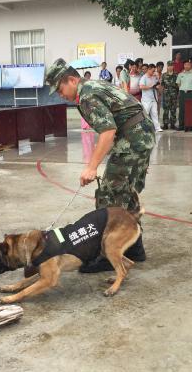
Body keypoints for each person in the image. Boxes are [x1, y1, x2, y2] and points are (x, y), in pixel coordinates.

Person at [44, 58, 155, 273]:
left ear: (72, 80)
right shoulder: (92, 87)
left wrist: (91, 167)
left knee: (108, 194)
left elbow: (107, 131)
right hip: (139, 135)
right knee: (124, 190)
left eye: (60, 88)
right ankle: (135, 249)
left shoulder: (87, 95)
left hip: (133, 138)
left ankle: (107, 255)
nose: (60, 94)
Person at [176, 59, 192, 131]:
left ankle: (190, 125)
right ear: (183, 65)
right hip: (182, 93)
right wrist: (183, 89)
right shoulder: (180, 74)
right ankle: (181, 125)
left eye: (188, 64)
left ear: (191, 65)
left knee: (190, 110)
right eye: (185, 64)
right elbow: (178, 84)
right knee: (182, 110)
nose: (187, 66)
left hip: (191, 93)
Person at [140, 64, 163, 132]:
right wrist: (150, 86)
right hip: (146, 100)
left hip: (154, 98)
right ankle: (144, 128)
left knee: (155, 113)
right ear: (149, 69)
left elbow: (158, 84)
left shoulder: (154, 77)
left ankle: (157, 127)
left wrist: (157, 84)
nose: (153, 72)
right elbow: (141, 87)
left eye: (154, 71)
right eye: (153, 71)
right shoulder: (144, 77)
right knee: (146, 114)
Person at [161, 60, 179, 130]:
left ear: (173, 66)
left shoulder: (176, 75)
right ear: (167, 66)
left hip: (174, 95)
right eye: (169, 66)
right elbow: (162, 85)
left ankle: (172, 124)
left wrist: (178, 95)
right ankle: (165, 124)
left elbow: (178, 85)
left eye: (171, 66)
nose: (170, 67)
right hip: (166, 96)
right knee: (165, 110)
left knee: (173, 110)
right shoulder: (164, 75)